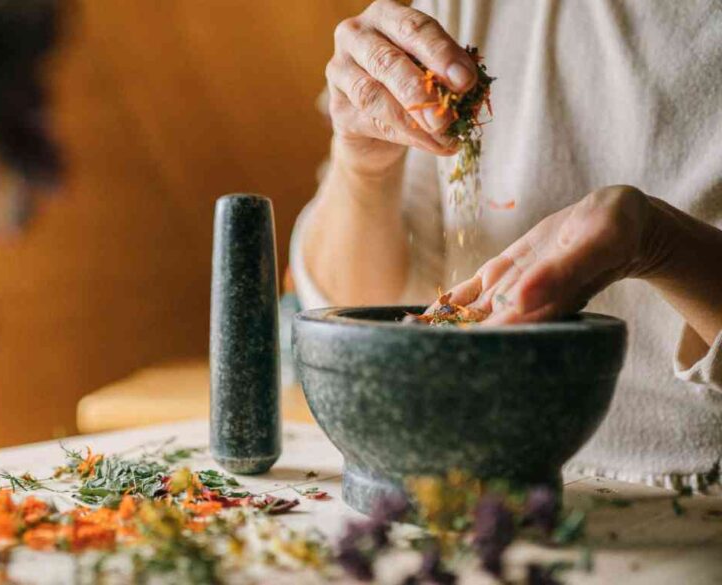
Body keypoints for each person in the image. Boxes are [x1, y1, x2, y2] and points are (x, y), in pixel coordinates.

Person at [291, 0, 722, 490]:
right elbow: (360, 302)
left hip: (697, 491)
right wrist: (364, 166)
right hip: (467, 477)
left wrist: (660, 243)